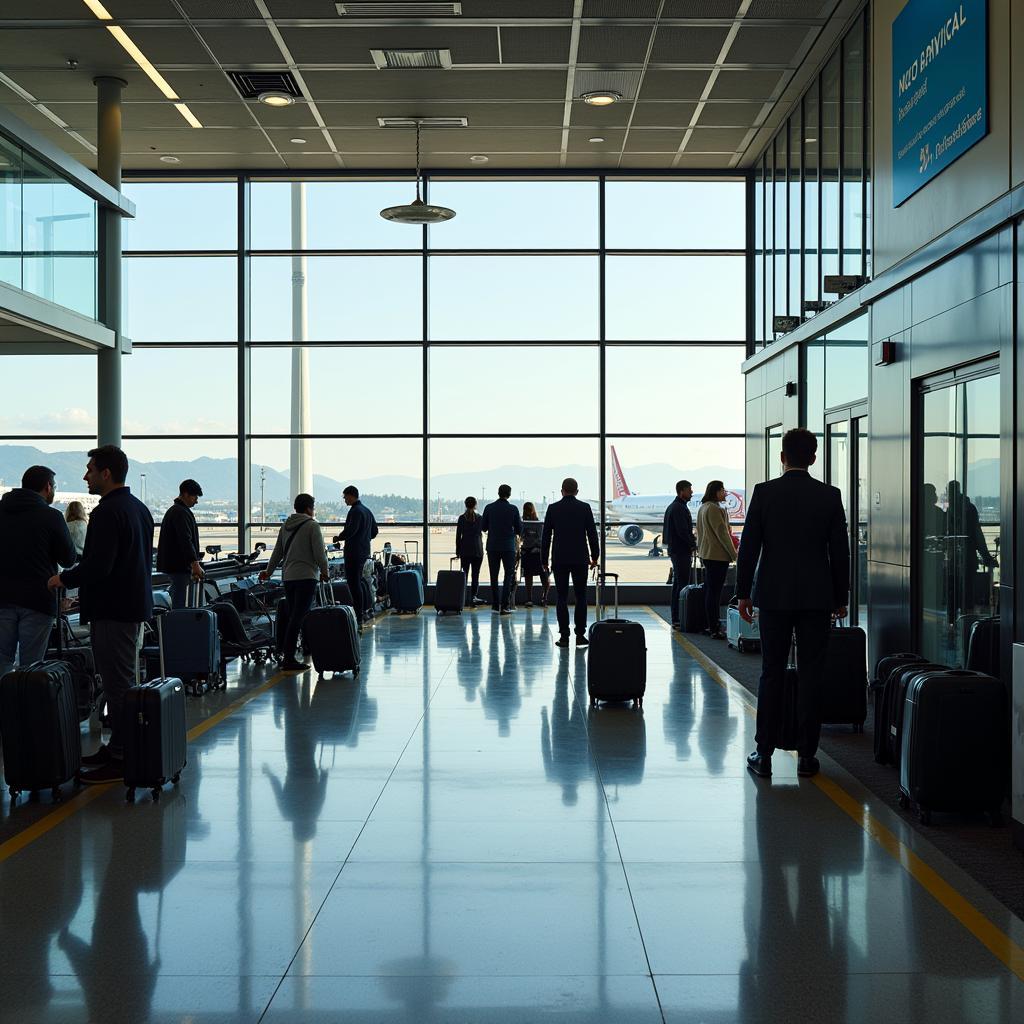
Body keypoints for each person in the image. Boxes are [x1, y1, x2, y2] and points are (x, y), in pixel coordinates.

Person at [736, 428, 849, 779]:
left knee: (771, 673)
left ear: (782, 457)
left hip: (773, 596)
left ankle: (764, 753)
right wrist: (840, 597)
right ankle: (807, 757)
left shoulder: (765, 493)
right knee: (812, 675)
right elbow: (840, 551)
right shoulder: (829, 495)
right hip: (817, 599)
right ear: (813, 458)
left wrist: (744, 593)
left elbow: (749, 547)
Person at [49, 446, 155, 785]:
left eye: (90, 470)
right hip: (130, 606)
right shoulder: (138, 509)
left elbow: (99, 566)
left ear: (106, 473)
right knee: (120, 681)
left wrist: (63, 578)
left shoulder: (109, 513)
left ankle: (124, 755)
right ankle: (119, 747)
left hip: (114, 610)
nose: (85, 476)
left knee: (118, 684)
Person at [0, 465, 77, 678]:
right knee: (31, 667)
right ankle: (26, 709)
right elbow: (68, 559)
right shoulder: (51, 516)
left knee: (2, 661)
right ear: (48, 487)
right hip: (38, 599)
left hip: (2, 598)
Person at [260, 493, 330, 671]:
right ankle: (289, 657)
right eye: (313, 508)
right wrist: (325, 571)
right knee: (298, 617)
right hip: (306, 576)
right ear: (308, 508)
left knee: (295, 615)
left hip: (289, 577)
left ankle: (302, 648)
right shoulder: (312, 526)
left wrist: (268, 571)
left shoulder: (286, 526)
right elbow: (319, 553)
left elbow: (277, 551)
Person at [541, 478, 600, 648]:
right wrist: (595, 556)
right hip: (580, 558)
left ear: (562, 491)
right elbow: (592, 534)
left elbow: (546, 537)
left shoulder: (553, 509)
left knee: (561, 597)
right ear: (577, 491)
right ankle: (580, 635)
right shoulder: (585, 508)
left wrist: (544, 560)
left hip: (560, 559)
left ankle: (564, 636)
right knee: (581, 596)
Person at [696, 480, 737, 640]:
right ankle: (714, 627)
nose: (725, 493)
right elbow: (722, 534)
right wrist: (734, 554)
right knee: (714, 593)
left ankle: (709, 625)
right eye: (723, 490)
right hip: (717, 556)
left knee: (710, 591)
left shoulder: (703, 507)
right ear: (716, 491)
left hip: (707, 554)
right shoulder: (714, 508)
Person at [332, 485, 379, 626]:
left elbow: (350, 530)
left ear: (351, 495)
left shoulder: (355, 511)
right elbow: (375, 531)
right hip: (364, 552)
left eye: (345, 496)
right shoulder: (366, 510)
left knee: (354, 584)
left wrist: (338, 538)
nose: (344, 499)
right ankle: (366, 610)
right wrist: (365, 538)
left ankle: (358, 615)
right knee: (361, 582)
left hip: (353, 552)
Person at [155, 479, 205, 609]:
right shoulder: (180, 512)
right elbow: (185, 540)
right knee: (180, 605)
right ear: (186, 494)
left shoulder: (175, 511)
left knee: (177, 600)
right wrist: (195, 564)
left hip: (174, 567)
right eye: (195, 496)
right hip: (179, 568)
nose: (196, 501)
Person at [481, 484, 522, 614]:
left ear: (498, 493)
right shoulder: (513, 509)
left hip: (492, 546)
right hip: (508, 546)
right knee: (508, 576)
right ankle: (505, 606)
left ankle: (494, 605)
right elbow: (519, 529)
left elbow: (483, 527)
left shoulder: (489, 508)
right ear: (509, 494)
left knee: (494, 575)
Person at [664, 479, 696, 628]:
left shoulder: (675, 507)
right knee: (681, 585)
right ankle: (679, 617)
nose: (692, 493)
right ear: (682, 491)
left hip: (677, 550)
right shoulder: (679, 508)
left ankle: (677, 616)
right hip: (680, 551)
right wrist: (693, 543)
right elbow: (683, 531)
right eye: (689, 490)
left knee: (678, 583)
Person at [455, 496, 485, 606]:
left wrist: (458, 551)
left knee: (465, 574)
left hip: (465, 549)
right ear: (476, 505)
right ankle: (473, 597)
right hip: (477, 549)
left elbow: (458, 536)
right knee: (475, 575)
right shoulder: (480, 518)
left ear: (465, 504)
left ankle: (462, 598)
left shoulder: (462, 518)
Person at [520, 501, 550, 607]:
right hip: (530, 551)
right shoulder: (526, 523)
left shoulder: (537, 523)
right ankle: (538, 598)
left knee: (541, 576)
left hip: (534, 551)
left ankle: (541, 598)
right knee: (533, 576)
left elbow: (540, 538)